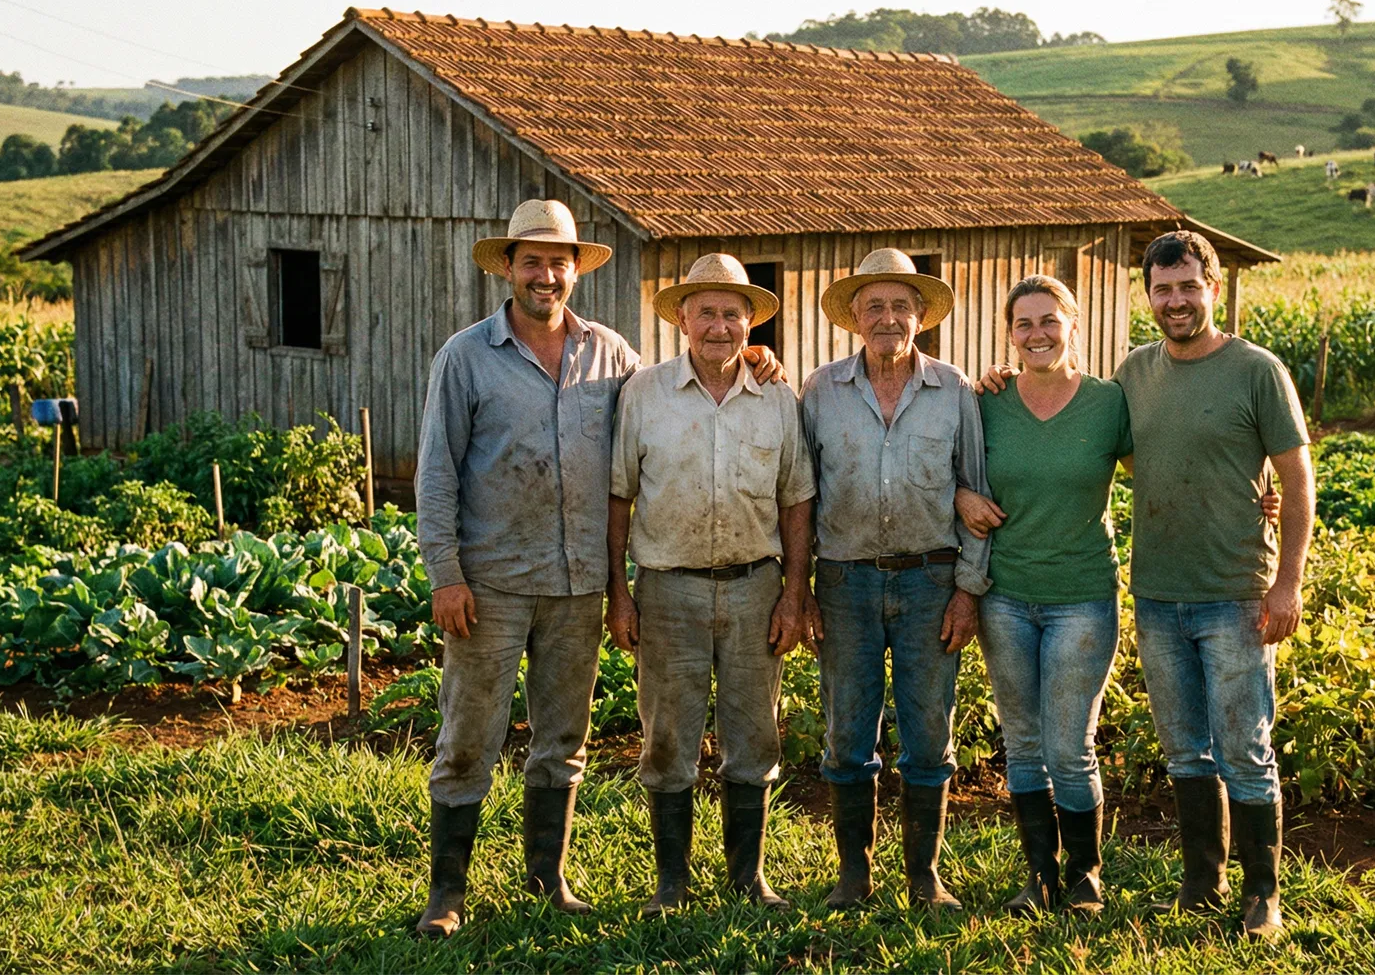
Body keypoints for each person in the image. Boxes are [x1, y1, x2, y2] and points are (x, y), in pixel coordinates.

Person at [412, 202, 782, 937]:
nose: (546, 275)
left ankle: (547, 879)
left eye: (560, 262)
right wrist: (444, 574)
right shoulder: (466, 355)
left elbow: (678, 408)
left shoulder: (612, 355)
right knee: (467, 739)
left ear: (576, 270)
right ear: (508, 267)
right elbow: (436, 473)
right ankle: (446, 896)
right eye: (532, 261)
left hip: (580, 586)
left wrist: (753, 359)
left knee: (562, 740)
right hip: (489, 583)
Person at [606, 253, 815, 913]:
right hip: (669, 589)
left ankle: (747, 878)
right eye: (707, 313)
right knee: (668, 738)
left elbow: (798, 501)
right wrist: (619, 591)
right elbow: (618, 496)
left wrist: (794, 594)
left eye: (732, 313)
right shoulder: (644, 393)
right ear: (683, 320)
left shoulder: (779, 397)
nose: (719, 326)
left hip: (757, 586)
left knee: (754, 737)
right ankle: (671, 884)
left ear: (750, 322)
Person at [1119, 230, 1314, 941]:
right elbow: (1093, 435)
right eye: (1162, 290)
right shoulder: (1135, 371)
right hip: (1157, 592)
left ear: (1213, 289)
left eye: (1187, 287)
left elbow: (1296, 480)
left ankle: (1264, 894)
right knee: (1183, 749)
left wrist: (1287, 583)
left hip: (1236, 591)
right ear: (1150, 295)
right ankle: (1203, 881)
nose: (1175, 301)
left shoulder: (1257, 370)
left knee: (1244, 746)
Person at [800, 247, 988, 911]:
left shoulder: (955, 389)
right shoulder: (821, 390)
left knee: (928, 736)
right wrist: (802, 594)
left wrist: (968, 590)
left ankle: (924, 877)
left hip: (929, 583)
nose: (888, 318)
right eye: (875, 306)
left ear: (920, 317)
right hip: (845, 583)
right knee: (847, 735)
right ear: (854, 316)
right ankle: (854, 877)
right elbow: (798, 495)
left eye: (900, 306)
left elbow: (976, 492)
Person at [962, 275, 1128, 917]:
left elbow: (1167, 467)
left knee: (1068, 743)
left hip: (1081, 596)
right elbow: (950, 472)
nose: (1037, 334)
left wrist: (1255, 496)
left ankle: (1086, 876)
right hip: (1005, 596)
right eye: (1024, 324)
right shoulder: (987, 404)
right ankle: (1039, 876)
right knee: (1024, 742)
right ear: (1010, 334)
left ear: (1073, 326)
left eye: (1049, 321)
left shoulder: (1108, 403)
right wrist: (959, 497)